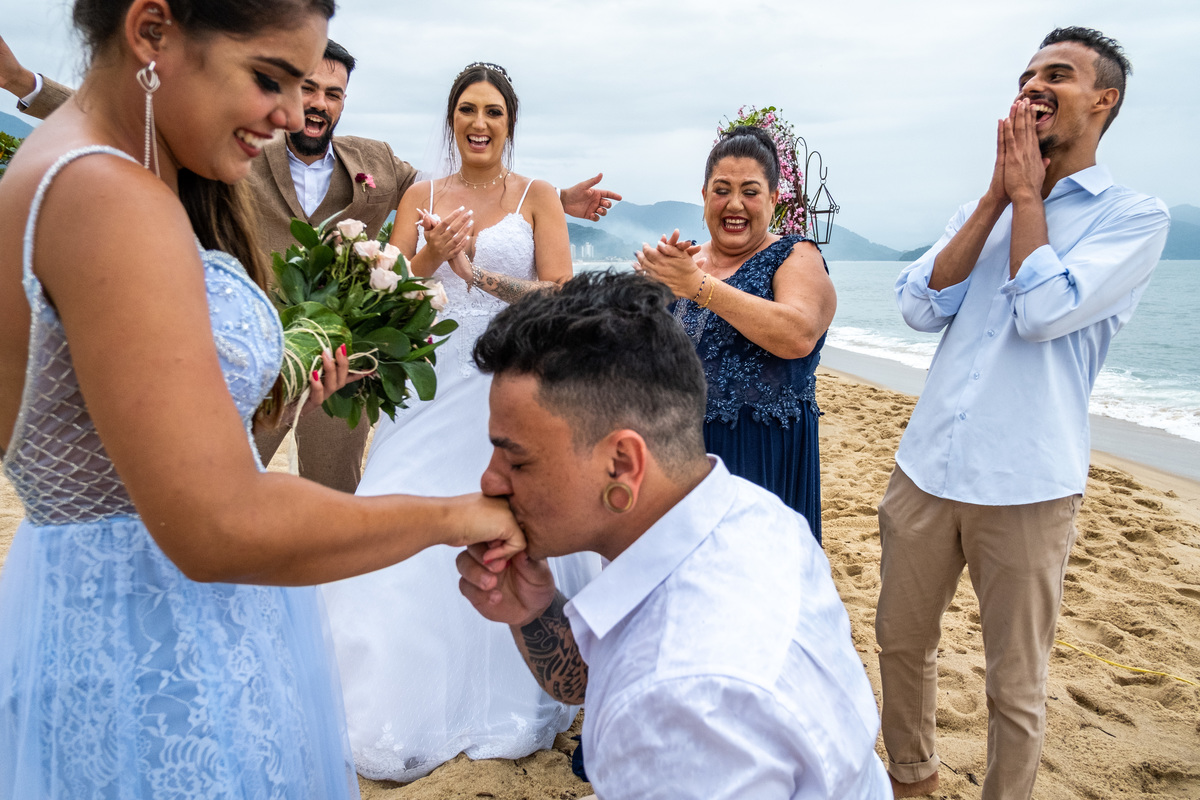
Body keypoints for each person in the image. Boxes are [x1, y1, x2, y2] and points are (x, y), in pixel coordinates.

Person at [0, 1, 525, 796]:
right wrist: (458, 515)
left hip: (140, 616)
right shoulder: (107, 195)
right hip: (155, 647)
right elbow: (220, 525)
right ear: (151, 32)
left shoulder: (97, 167)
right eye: (270, 78)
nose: (288, 112)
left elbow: (145, 450)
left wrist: (283, 388)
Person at [0, 34, 622, 493]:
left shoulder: (378, 164)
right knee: (220, 489)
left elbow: (475, 189)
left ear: (345, 101)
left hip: (346, 372)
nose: (320, 103)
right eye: (309, 90)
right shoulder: (237, 150)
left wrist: (555, 203)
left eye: (334, 93)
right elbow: (141, 126)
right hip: (251, 364)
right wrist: (25, 83)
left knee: (338, 505)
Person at [454, 270, 890, 799]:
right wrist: (531, 610)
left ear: (622, 463)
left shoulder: (680, 708)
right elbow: (609, 674)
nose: (489, 480)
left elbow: (661, 683)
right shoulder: (756, 514)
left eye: (516, 459)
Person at [877, 27, 1170, 799]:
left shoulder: (1134, 217)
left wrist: (1029, 197)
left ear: (1103, 101)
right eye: (1028, 73)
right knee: (901, 642)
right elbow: (916, 305)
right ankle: (912, 779)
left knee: (1016, 683)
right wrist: (993, 199)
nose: (1034, 85)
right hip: (927, 466)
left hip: (1028, 483)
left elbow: (1042, 310)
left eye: (1058, 75)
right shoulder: (990, 204)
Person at [321, 62, 602, 782]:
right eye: (467, 110)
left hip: (507, 380)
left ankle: (509, 693)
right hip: (433, 381)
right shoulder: (419, 194)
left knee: (507, 527)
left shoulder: (538, 196)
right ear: (452, 120)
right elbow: (398, 294)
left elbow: (561, 293)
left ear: (509, 124)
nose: (480, 123)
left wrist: (477, 277)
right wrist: (431, 256)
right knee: (404, 519)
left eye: (493, 113)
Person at [635, 125, 836, 541]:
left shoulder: (796, 255)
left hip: (759, 458)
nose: (735, 204)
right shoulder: (685, 258)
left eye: (750, 191)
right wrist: (646, 291)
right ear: (704, 195)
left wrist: (700, 288)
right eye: (722, 189)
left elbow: (798, 334)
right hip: (679, 457)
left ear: (774, 199)